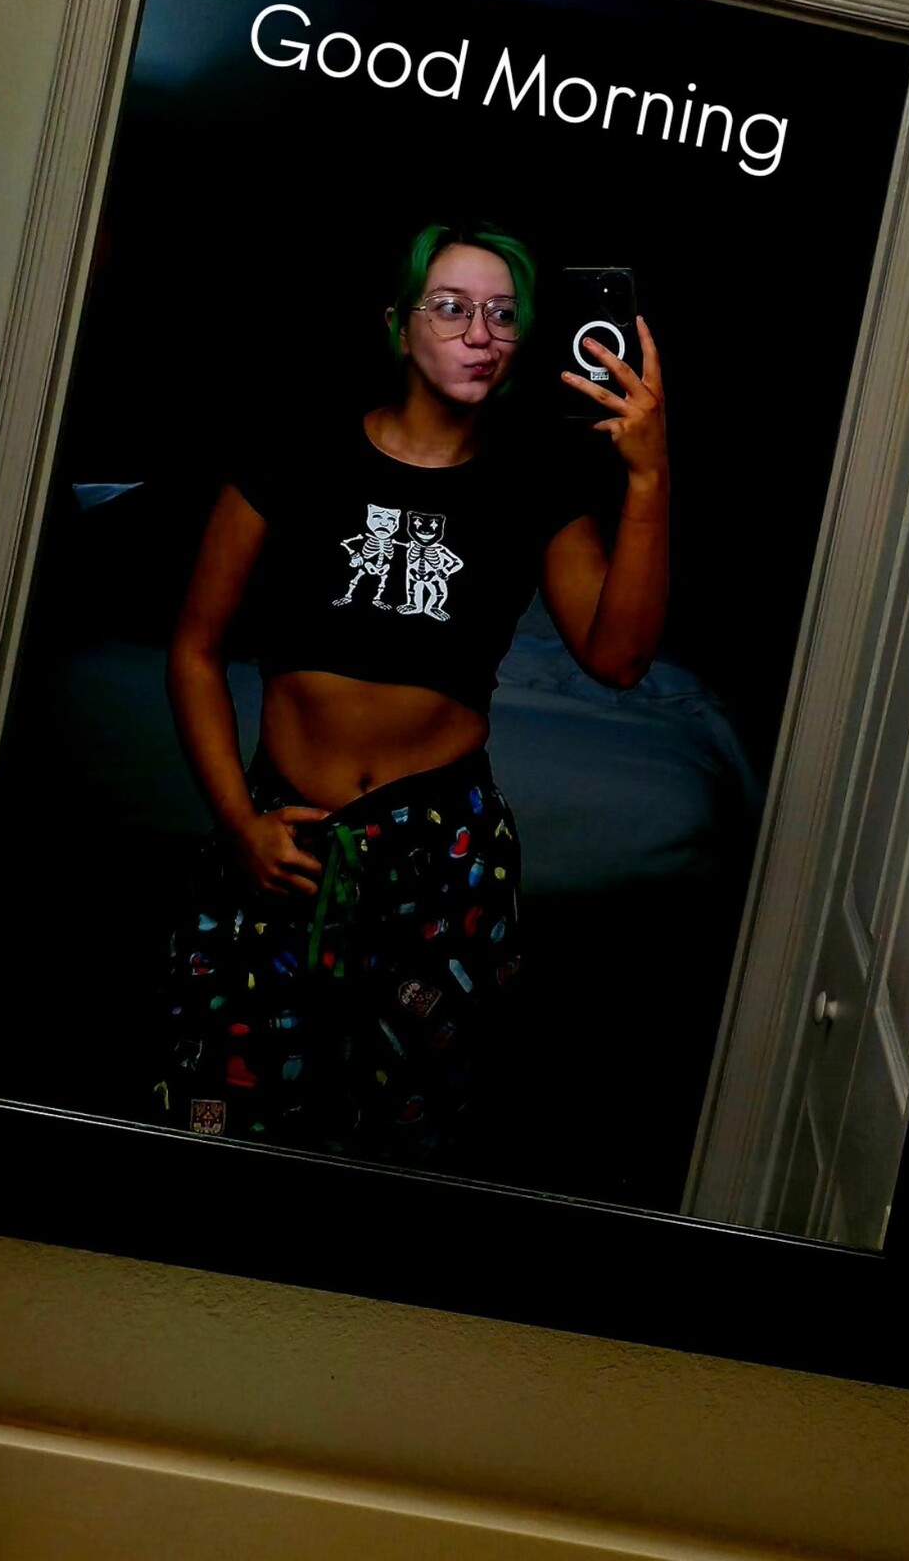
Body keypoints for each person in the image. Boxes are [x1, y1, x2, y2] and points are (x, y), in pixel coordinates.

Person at [158, 222, 669, 1167]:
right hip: (281, 838)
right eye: (451, 308)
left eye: (502, 315)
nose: (480, 333)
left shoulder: (536, 482)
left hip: (444, 860)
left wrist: (647, 475)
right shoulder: (294, 453)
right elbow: (194, 648)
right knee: (226, 1116)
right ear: (399, 326)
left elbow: (621, 658)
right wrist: (236, 822)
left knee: (411, 1140)